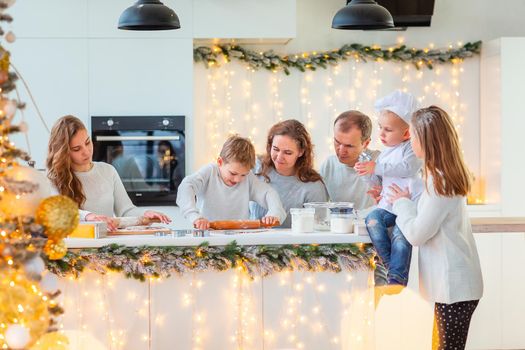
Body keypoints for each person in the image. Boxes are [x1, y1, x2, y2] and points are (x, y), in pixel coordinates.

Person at [388, 105, 483, 350]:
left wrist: (401, 204)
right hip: (454, 288)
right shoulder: (437, 177)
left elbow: (417, 234)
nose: (410, 142)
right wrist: (407, 202)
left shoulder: (440, 182)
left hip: (454, 289)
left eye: (412, 135)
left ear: (426, 141)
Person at [46, 115, 171, 231]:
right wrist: (89, 216)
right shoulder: (53, 178)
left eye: (87, 142)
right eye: (77, 149)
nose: (87, 151)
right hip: (73, 247)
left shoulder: (108, 171)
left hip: (108, 246)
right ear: (64, 152)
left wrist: (145, 214)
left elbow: (126, 210)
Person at [354, 91, 423, 290]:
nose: (381, 134)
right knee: (372, 221)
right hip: (387, 205)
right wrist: (368, 174)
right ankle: (389, 265)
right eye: (380, 128)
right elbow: (379, 179)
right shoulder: (384, 154)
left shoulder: (411, 149)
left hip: (408, 207)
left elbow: (407, 168)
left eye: (388, 130)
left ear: (407, 133)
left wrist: (375, 167)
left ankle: (397, 279)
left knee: (401, 239)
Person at [176, 135, 286, 229]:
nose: (238, 179)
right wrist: (195, 216)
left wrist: (274, 213)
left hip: (239, 238)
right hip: (208, 235)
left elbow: (268, 193)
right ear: (220, 162)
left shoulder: (249, 179)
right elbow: (187, 186)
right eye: (233, 173)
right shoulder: (209, 172)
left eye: (243, 174)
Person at [250, 119, 329, 228]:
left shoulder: (313, 187)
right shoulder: (255, 168)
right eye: (275, 149)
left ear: (301, 152)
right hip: (250, 241)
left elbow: (317, 230)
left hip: (293, 244)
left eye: (287, 152)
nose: (279, 157)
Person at [320, 110, 380, 210]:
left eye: (349, 146)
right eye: (337, 142)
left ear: (366, 143)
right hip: (340, 223)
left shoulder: (380, 162)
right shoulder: (328, 165)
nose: (341, 150)